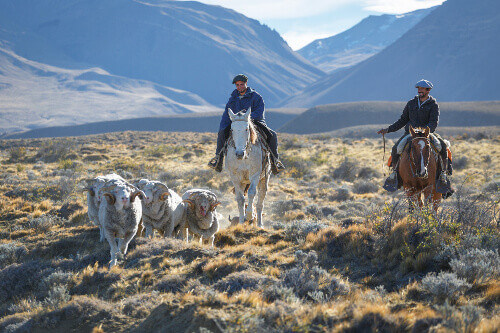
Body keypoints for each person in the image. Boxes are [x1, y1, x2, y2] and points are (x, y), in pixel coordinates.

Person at [377, 79, 453, 196]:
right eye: (418, 89)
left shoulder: (433, 105)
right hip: (411, 134)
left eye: (421, 89)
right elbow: (402, 120)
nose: (419, 91)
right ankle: (394, 175)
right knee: (396, 149)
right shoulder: (411, 103)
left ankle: (443, 174)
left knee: (442, 147)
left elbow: (434, 122)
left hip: (427, 133)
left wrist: (425, 131)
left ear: (428, 90)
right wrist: (388, 130)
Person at [208, 74, 285, 174]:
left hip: (255, 122)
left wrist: (246, 118)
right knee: (222, 133)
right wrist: (224, 127)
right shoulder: (232, 98)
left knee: (272, 135)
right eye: (237, 85)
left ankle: (275, 162)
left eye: (241, 84)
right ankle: (218, 160)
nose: (239, 87)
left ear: (246, 84)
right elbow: (226, 114)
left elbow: (260, 111)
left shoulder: (256, 97)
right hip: (236, 123)